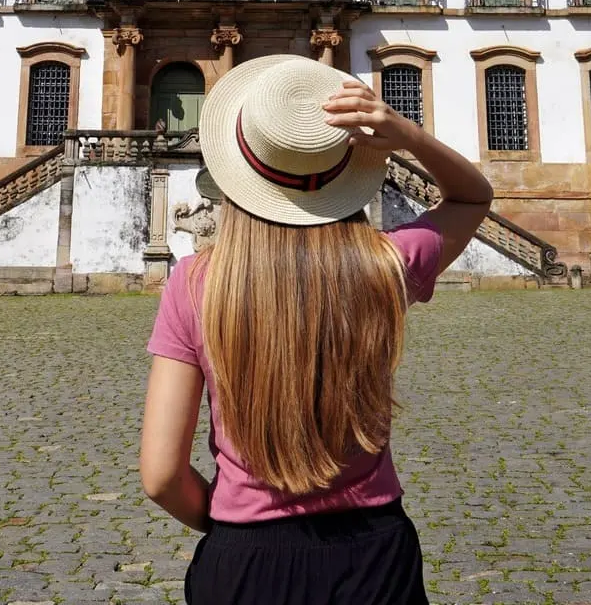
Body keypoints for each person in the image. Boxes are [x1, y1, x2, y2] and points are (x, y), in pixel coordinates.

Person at [140, 54, 493, 604]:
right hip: (373, 555)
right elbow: (473, 196)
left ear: (239, 165)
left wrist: (232, 524)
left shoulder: (194, 283)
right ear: (342, 173)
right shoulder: (387, 266)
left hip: (244, 560)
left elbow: (161, 475)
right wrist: (407, 136)